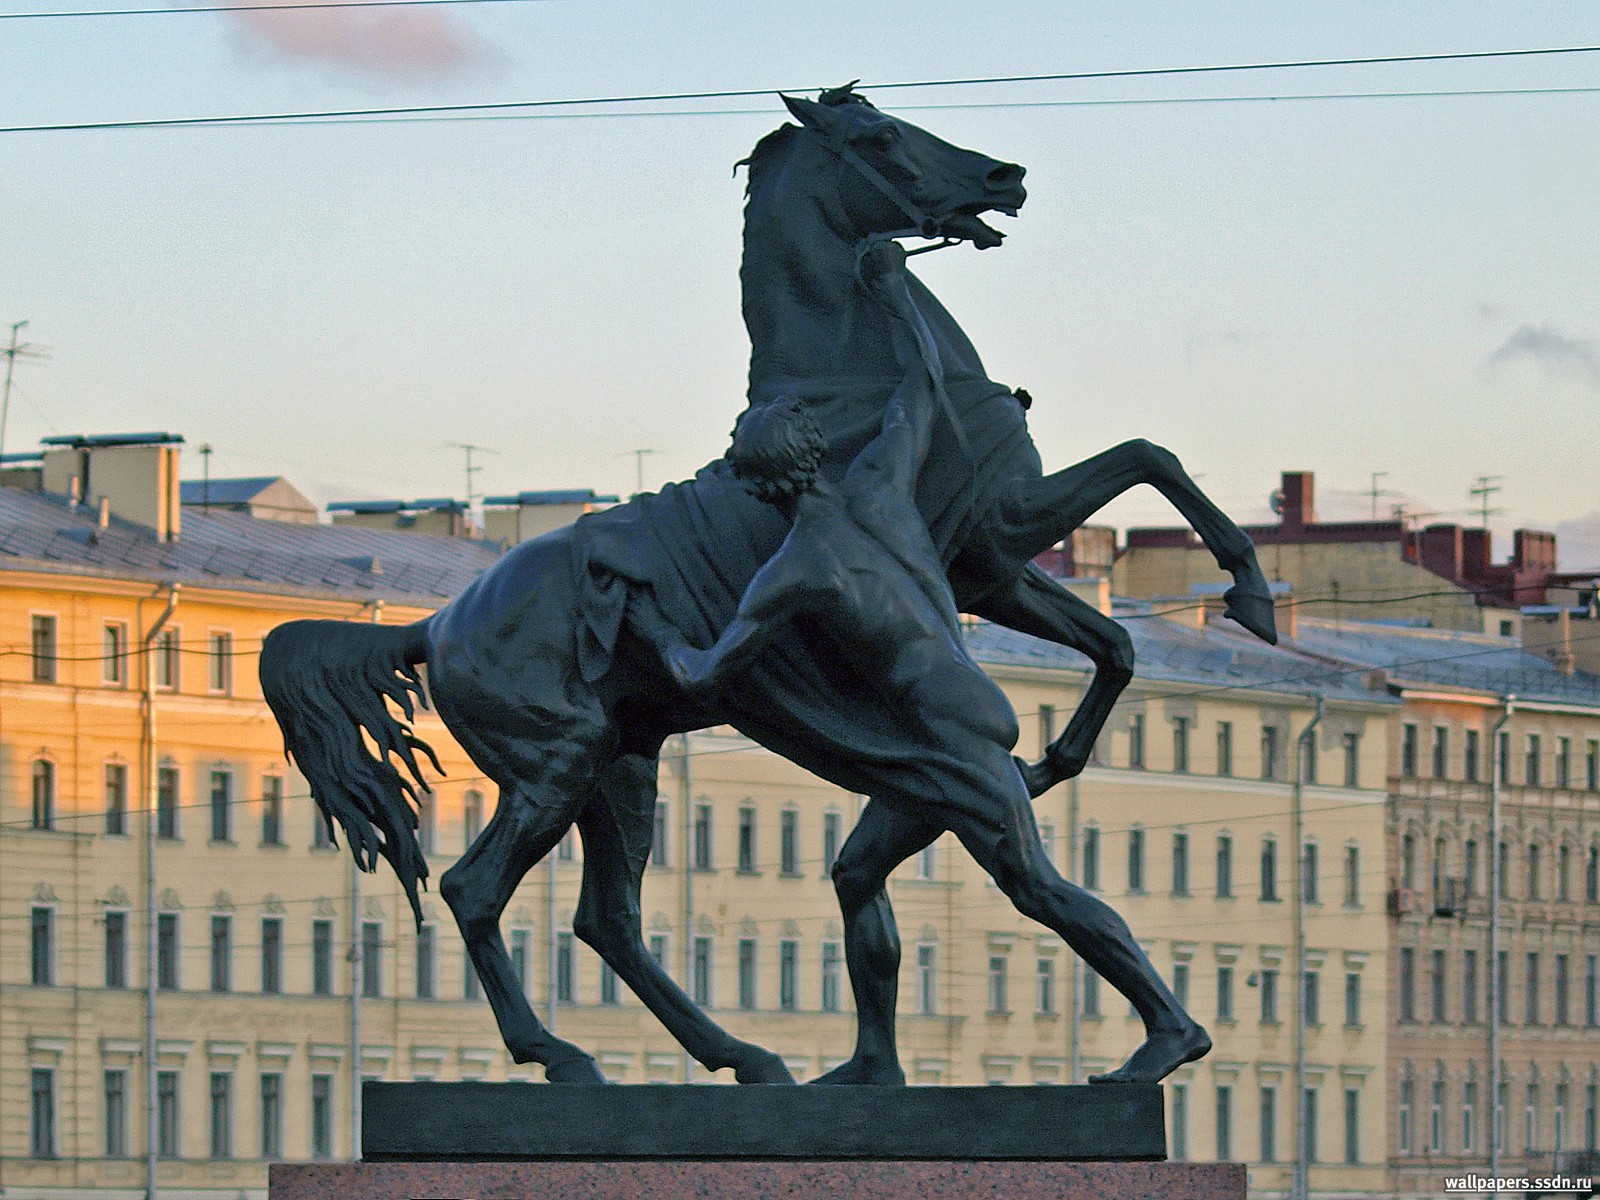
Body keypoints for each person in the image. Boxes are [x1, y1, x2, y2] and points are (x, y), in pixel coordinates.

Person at [642, 241, 1209, 1084]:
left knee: (1033, 886)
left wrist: (647, 620)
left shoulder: (793, 568)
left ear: (759, 488)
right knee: (858, 868)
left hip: (942, 737)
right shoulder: (882, 484)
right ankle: (878, 1057)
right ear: (814, 451)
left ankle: (1170, 1024)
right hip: (950, 718)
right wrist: (894, 293)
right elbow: (921, 392)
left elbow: (704, 675)